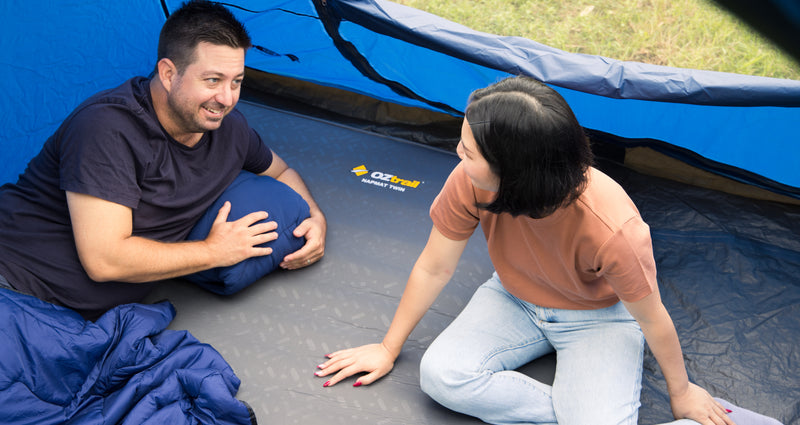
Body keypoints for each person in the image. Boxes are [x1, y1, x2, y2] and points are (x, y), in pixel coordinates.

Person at [315, 76, 748, 425]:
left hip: (597, 318)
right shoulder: (469, 182)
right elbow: (434, 267)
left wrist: (681, 391)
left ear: (515, 173)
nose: (457, 154)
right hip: (513, 297)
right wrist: (388, 347)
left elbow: (652, 318)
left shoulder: (613, 229)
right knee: (440, 376)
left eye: (469, 151)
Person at [0, 0, 326, 320]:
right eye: (212, 80)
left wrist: (314, 217)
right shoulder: (108, 129)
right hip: (15, 285)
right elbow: (104, 261)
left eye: (236, 81)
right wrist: (214, 251)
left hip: (77, 321)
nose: (226, 99)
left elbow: (280, 171)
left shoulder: (230, 129)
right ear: (169, 74)